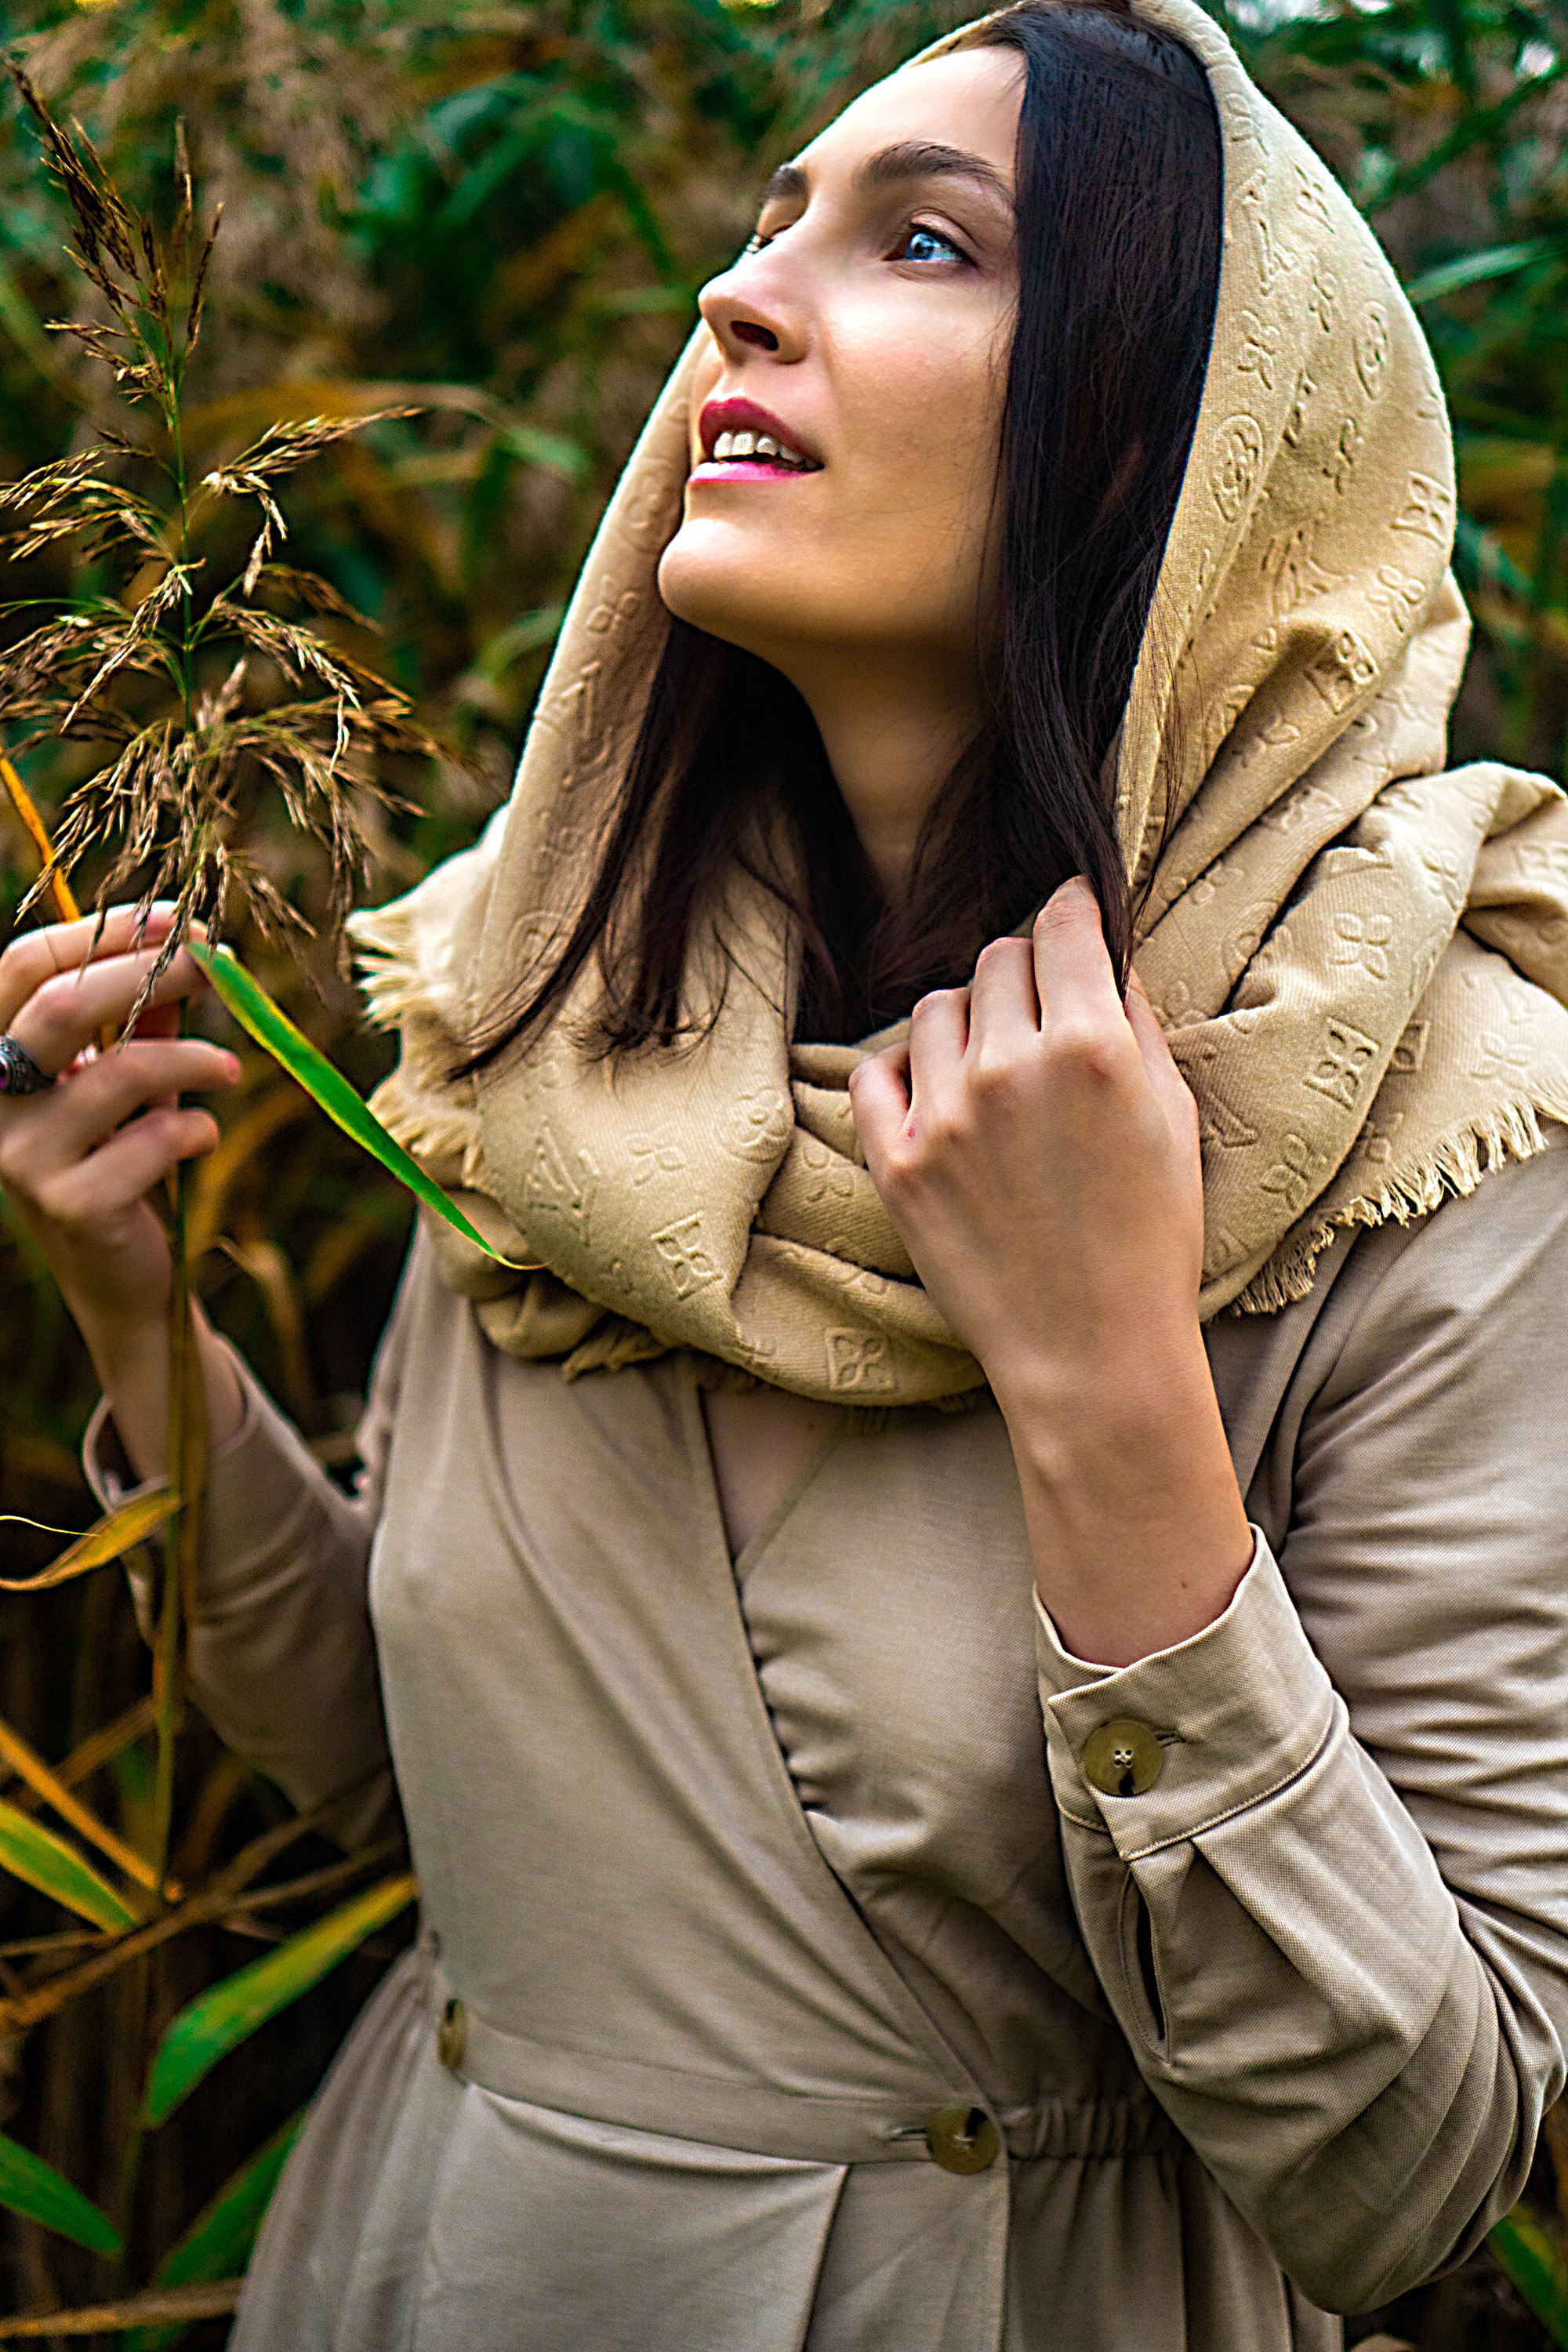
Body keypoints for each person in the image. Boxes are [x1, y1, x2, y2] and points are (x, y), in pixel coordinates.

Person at [3, 0, 1568, 2341]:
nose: (738, 297)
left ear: (1185, 446)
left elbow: (1412, 2176)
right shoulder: (566, 1025)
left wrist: (1111, 1392)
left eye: (927, 243)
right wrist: (143, 1316)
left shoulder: (1422, 1130)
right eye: (765, 228)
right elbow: (430, 1815)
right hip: (435, 2266)